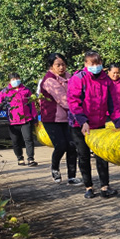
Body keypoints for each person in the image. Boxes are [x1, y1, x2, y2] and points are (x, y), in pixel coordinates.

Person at [67, 51, 120, 199]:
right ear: (86, 64)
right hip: (79, 125)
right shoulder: (78, 79)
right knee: (84, 155)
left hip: (98, 123)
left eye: (98, 63)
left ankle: (105, 186)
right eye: (92, 63)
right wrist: (82, 121)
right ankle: (89, 187)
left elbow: (113, 103)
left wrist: (119, 123)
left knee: (101, 155)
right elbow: (73, 102)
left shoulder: (106, 80)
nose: (96, 66)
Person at [38, 53, 82, 186]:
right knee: (61, 145)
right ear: (51, 66)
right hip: (52, 118)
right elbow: (63, 100)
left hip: (68, 118)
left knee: (72, 146)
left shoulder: (69, 77)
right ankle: (55, 168)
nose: (61, 67)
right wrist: (80, 109)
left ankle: (72, 177)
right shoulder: (49, 80)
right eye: (58, 65)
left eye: (63, 64)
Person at [0, 73, 39, 167]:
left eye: (17, 78)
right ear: (9, 81)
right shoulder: (5, 92)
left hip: (26, 119)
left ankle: (31, 159)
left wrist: (35, 118)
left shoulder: (26, 90)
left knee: (28, 139)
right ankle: (20, 158)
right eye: (13, 79)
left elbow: (32, 105)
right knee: (15, 141)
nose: (16, 81)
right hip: (13, 121)